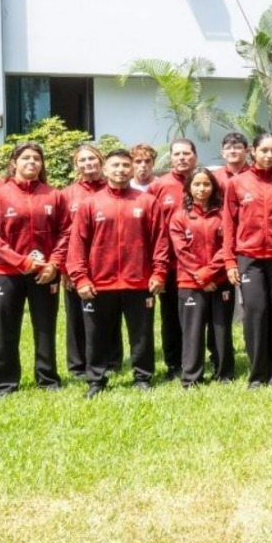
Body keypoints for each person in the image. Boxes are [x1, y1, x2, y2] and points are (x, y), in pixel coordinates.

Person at [67, 150, 169, 397]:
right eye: (116, 165)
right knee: (96, 335)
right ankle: (96, 380)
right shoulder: (90, 204)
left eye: (126, 165)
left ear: (132, 169)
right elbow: (77, 243)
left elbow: (160, 240)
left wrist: (159, 273)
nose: (121, 169)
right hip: (100, 283)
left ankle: (142, 377)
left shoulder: (147, 202)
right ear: (105, 169)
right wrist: (80, 277)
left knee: (142, 333)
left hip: (139, 282)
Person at [0, 143, 69, 397]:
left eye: (37, 159)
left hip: (45, 273)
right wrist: (22, 261)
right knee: (6, 329)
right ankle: (6, 384)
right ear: (14, 163)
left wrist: (54, 264)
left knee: (45, 327)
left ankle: (48, 379)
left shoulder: (54, 195)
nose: (32, 162)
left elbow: (65, 232)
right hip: (5, 273)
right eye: (26, 158)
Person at [222, 132, 272, 388]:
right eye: (264, 150)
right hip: (249, 258)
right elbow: (229, 224)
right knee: (255, 311)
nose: (269, 155)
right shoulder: (238, 183)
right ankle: (258, 372)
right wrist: (230, 262)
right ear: (252, 151)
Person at [167, 167, 235, 386]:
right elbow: (181, 251)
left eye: (206, 184)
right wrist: (200, 275)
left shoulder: (224, 214)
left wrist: (210, 273)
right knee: (193, 331)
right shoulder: (179, 217)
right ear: (188, 189)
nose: (202, 188)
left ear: (214, 187)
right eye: (196, 184)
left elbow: (227, 245)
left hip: (220, 280)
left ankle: (224, 372)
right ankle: (192, 377)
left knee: (221, 329)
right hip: (190, 282)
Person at [147, 139, 201, 380]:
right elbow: (150, 226)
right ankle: (173, 363)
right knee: (170, 316)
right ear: (170, 158)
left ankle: (203, 357)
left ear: (195, 156)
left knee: (200, 315)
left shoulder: (205, 181)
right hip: (169, 264)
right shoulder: (159, 186)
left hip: (201, 264)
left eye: (186, 153)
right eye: (177, 154)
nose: (182, 158)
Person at [61, 143, 107, 382]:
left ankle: (110, 360)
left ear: (101, 161)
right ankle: (78, 364)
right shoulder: (67, 194)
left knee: (108, 314)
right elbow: (60, 233)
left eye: (92, 159)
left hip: (107, 264)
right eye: (83, 160)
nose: (88, 164)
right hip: (75, 263)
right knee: (77, 316)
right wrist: (65, 269)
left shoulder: (113, 189)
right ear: (76, 165)